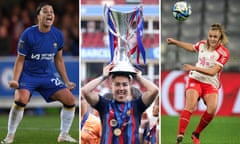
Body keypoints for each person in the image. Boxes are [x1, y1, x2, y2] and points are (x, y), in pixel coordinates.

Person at [1, 2, 78, 144]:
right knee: (20, 99)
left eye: (52, 11)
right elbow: (19, 60)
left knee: (70, 100)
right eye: (45, 11)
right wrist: (15, 80)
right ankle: (10, 135)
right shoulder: (28, 34)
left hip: (47, 76)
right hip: (29, 76)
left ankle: (64, 134)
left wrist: (66, 81)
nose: (49, 14)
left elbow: (59, 60)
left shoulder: (58, 35)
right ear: (38, 16)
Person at [166, 23, 230, 144]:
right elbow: (191, 47)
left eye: (215, 37)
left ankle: (196, 134)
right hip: (195, 79)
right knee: (190, 105)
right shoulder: (202, 44)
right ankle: (180, 134)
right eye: (210, 36)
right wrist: (175, 42)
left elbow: (212, 72)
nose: (212, 39)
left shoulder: (223, 53)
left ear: (220, 38)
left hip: (210, 83)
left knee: (212, 109)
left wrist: (194, 68)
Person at [81, 63, 159, 144]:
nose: (121, 88)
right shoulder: (104, 105)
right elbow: (85, 91)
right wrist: (103, 76)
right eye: (117, 84)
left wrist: (138, 77)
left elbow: (154, 91)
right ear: (112, 86)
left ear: (129, 86)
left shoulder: (137, 106)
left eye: (125, 85)